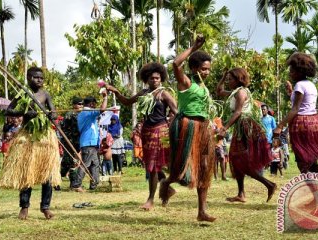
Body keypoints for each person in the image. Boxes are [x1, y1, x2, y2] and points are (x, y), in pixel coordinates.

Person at [158, 35, 216, 222]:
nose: (207, 72)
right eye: (203, 69)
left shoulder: (203, 86)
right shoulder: (186, 82)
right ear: (194, 68)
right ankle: (166, 183)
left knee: (205, 166)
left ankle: (202, 211)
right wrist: (193, 47)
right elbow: (175, 64)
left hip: (204, 127)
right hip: (187, 126)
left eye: (208, 69)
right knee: (180, 169)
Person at [106, 62, 177, 211]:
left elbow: (176, 111)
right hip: (147, 132)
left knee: (153, 166)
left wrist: (175, 126)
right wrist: (116, 92)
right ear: (146, 79)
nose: (155, 80)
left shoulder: (164, 93)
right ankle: (167, 190)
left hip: (161, 132)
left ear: (161, 78)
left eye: (157, 78)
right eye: (152, 78)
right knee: (153, 165)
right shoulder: (143, 93)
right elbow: (126, 102)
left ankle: (151, 200)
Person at [1, 66, 61, 220]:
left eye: (41, 78)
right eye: (36, 77)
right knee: (27, 173)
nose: (39, 80)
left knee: (47, 174)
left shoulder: (45, 94)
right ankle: (24, 207)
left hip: (45, 137)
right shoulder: (23, 93)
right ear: (28, 78)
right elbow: (9, 110)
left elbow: (53, 111)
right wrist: (24, 113)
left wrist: (52, 115)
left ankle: (45, 207)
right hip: (28, 136)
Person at [273, 52, 318, 183]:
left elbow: (296, 109)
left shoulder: (300, 85)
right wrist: (291, 92)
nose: (290, 72)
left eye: (292, 69)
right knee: (308, 160)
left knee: (303, 162)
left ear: (300, 71)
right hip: (314, 122)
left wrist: (279, 126)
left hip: (302, 124)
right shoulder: (310, 85)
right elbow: (305, 104)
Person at [217, 67, 276, 203]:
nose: (228, 81)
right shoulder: (234, 92)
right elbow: (219, 91)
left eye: (230, 79)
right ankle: (241, 193)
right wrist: (223, 75)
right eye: (228, 79)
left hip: (245, 127)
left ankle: (269, 184)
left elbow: (237, 112)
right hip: (240, 127)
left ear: (238, 79)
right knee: (236, 160)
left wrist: (224, 128)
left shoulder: (241, 92)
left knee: (241, 161)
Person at [72, 94, 108, 192]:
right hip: (88, 143)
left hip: (92, 143)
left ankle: (94, 185)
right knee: (86, 164)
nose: (96, 105)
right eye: (95, 104)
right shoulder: (86, 112)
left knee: (95, 164)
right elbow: (102, 109)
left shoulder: (87, 112)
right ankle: (76, 185)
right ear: (92, 104)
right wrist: (105, 98)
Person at [60, 97, 83, 187]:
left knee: (74, 161)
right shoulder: (71, 114)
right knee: (69, 162)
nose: (81, 106)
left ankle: (73, 183)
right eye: (79, 104)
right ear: (74, 105)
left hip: (76, 141)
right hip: (69, 141)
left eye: (82, 104)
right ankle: (55, 179)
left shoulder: (79, 114)